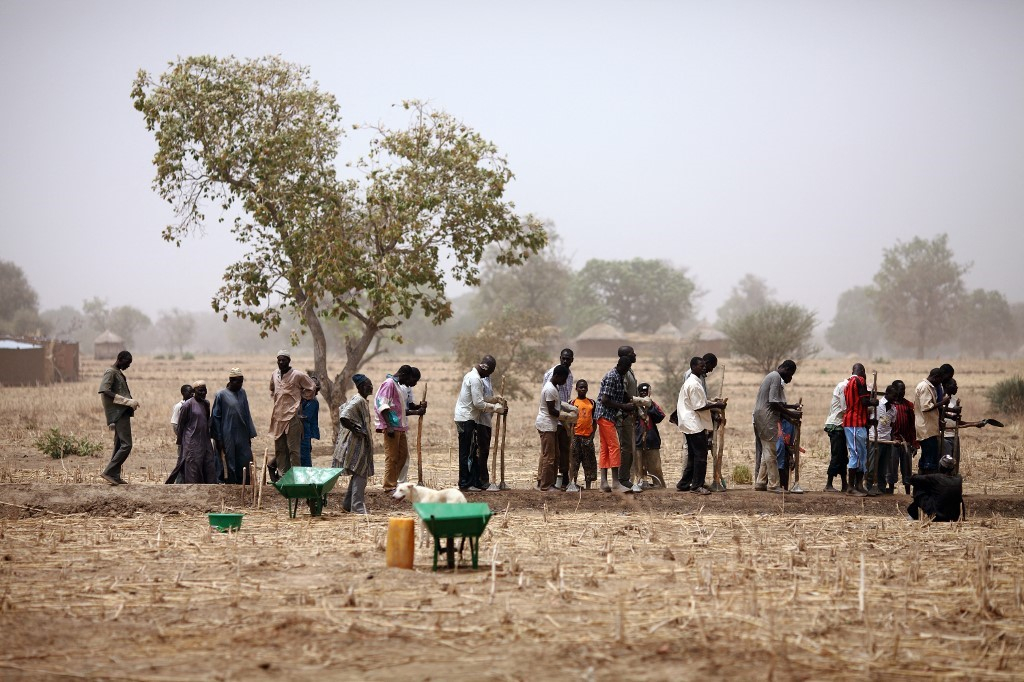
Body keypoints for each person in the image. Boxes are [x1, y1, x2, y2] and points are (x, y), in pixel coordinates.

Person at [453, 357, 505, 492]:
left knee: (472, 451)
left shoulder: (472, 376)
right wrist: (495, 408)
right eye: (488, 373)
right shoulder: (475, 379)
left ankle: (474, 481)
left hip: (468, 418)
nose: (487, 376)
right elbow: (478, 403)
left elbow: (479, 398)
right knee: (467, 452)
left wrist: (494, 399)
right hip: (466, 419)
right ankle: (465, 483)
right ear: (485, 368)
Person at [677, 357, 726, 494]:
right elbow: (699, 406)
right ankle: (697, 486)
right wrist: (717, 405)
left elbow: (700, 402)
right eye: (700, 366)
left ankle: (684, 483)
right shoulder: (693, 384)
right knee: (700, 455)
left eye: (704, 365)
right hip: (693, 423)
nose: (704, 368)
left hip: (689, 422)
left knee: (693, 455)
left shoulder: (694, 382)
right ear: (693, 367)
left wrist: (712, 402)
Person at [376, 365, 427, 492]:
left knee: (402, 456)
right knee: (392, 457)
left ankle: (394, 482)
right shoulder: (389, 384)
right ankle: (389, 485)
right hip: (392, 426)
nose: (408, 383)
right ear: (404, 375)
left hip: (400, 426)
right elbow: (382, 404)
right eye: (409, 379)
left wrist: (419, 407)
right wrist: (389, 426)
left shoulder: (397, 385)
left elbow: (402, 407)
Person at [752, 360, 801, 493]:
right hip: (766, 416)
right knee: (771, 451)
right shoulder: (775, 377)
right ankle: (773, 484)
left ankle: (761, 482)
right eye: (790, 374)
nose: (790, 378)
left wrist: (792, 408)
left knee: (767, 449)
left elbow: (779, 403)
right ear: (786, 369)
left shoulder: (773, 377)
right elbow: (774, 403)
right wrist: (791, 414)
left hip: (763, 415)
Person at [269, 350, 317, 480]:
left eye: (283, 360)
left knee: (293, 450)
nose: (281, 362)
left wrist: (300, 397)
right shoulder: (275, 374)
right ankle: (283, 477)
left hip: (292, 417)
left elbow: (311, 387)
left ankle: (296, 478)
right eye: (279, 360)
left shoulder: (297, 375)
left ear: (289, 361)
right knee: (280, 450)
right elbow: (272, 388)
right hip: (278, 417)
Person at [333, 374, 375, 514]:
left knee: (358, 472)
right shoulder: (358, 401)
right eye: (368, 385)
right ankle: (357, 507)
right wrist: (356, 430)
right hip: (356, 444)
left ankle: (347, 504)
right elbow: (344, 416)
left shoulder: (361, 400)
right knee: (361, 473)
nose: (371, 387)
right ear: (361, 387)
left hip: (359, 442)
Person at [98, 350, 139, 485]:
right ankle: (109, 471)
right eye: (127, 362)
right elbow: (105, 390)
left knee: (119, 445)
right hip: (118, 413)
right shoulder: (111, 372)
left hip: (122, 412)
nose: (128, 366)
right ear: (120, 359)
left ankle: (114, 475)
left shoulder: (118, 373)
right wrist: (126, 401)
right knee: (127, 445)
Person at [210, 369, 258, 485]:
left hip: (242, 433)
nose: (240, 384)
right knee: (229, 460)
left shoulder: (242, 393)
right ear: (231, 380)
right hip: (227, 433)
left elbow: (247, 414)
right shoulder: (221, 395)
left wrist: (249, 434)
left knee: (245, 458)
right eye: (238, 381)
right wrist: (218, 438)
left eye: (241, 381)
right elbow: (216, 417)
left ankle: (244, 484)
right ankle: (231, 484)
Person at [595, 356, 635, 493]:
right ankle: (616, 482)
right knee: (614, 447)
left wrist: (631, 401)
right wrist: (624, 406)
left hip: (607, 416)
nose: (627, 370)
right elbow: (605, 400)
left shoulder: (619, 376)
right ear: (622, 366)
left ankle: (603, 483)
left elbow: (621, 394)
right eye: (627, 368)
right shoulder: (612, 377)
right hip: (605, 415)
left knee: (605, 448)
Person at [542, 348, 575, 490]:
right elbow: (549, 401)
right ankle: (543, 481)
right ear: (560, 357)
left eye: (568, 359)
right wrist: (564, 415)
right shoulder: (552, 375)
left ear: (572, 360)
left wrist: (569, 410)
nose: (566, 361)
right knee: (549, 453)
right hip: (553, 417)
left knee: (564, 449)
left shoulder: (570, 375)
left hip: (562, 417)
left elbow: (564, 398)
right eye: (564, 358)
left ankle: (563, 480)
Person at [173, 380, 217, 483]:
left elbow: (207, 419)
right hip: (191, 441)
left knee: (208, 465)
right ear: (194, 391)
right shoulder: (187, 405)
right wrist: (181, 442)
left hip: (204, 440)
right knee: (193, 467)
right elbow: (181, 425)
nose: (203, 393)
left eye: (204, 390)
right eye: (200, 391)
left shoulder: (206, 404)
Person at [843, 364, 877, 497]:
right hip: (854, 422)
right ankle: (851, 487)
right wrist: (873, 402)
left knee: (862, 455)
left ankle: (858, 485)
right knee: (856, 454)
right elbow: (864, 402)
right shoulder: (859, 380)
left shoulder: (848, 383)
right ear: (862, 371)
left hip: (857, 422)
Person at [536, 364, 570, 491]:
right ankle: (546, 485)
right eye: (563, 379)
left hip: (551, 425)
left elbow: (557, 404)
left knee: (555, 455)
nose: (564, 382)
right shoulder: (550, 389)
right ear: (556, 376)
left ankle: (551, 483)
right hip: (546, 425)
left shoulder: (554, 387)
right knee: (549, 457)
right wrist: (565, 416)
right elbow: (551, 410)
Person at [906, 454, 964, 522]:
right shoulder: (959, 478)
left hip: (938, 516)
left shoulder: (936, 478)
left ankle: (913, 514)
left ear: (940, 467)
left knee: (919, 489)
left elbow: (913, 479)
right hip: (955, 516)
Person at [914, 368, 949, 474]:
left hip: (928, 427)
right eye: (940, 380)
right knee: (929, 458)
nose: (940, 383)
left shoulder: (928, 386)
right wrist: (943, 402)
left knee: (927, 456)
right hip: (926, 428)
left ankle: (923, 478)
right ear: (936, 377)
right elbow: (926, 407)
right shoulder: (925, 387)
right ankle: (927, 478)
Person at [615, 346, 640, 491]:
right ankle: (622, 479)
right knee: (625, 448)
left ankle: (625, 478)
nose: (635, 355)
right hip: (623, 416)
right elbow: (623, 394)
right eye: (632, 353)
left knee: (629, 447)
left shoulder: (629, 371)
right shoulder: (623, 373)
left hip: (629, 414)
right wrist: (634, 402)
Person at [397, 367, 426, 485]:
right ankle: (398, 482)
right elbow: (401, 410)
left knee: (404, 456)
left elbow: (410, 405)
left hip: (403, 425)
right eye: (414, 380)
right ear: (409, 377)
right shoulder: (400, 388)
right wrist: (417, 412)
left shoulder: (408, 388)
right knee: (399, 456)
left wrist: (420, 406)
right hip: (396, 424)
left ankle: (401, 482)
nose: (415, 383)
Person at [866, 384, 897, 496]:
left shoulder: (894, 410)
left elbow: (892, 426)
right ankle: (868, 487)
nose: (895, 398)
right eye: (893, 396)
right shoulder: (877, 405)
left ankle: (881, 488)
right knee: (871, 467)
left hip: (886, 441)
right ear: (887, 394)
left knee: (883, 468)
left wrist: (893, 439)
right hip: (875, 440)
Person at [567, 379, 597, 492]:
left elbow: (594, 420)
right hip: (576, 436)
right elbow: (569, 421)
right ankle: (573, 483)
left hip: (588, 436)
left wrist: (592, 434)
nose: (583, 389)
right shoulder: (572, 403)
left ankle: (588, 486)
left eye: (585, 387)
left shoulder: (592, 403)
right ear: (576, 389)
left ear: (587, 388)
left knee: (588, 461)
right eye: (581, 387)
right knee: (574, 461)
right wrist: (571, 435)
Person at [636, 382, 667, 488]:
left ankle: (660, 487)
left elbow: (660, 416)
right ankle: (640, 484)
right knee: (639, 468)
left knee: (656, 468)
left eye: (646, 391)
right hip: (638, 441)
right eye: (641, 391)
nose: (643, 393)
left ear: (649, 392)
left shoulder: (652, 404)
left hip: (652, 441)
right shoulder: (634, 406)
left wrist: (650, 406)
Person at [889, 380, 917, 494]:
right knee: (891, 468)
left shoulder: (908, 405)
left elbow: (912, 425)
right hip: (893, 442)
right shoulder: (890, 405)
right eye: (901, 390)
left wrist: (914, 443)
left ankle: (907, 493)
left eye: (904, 389)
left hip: (906, 442)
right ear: (895, 390)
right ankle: (890, 491)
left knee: (907, 468)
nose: (903, 392)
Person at [822, 375, 849, 492]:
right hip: (836, 425)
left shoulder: (844, 386)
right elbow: (844, 408)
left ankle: (844, 484)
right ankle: (828, 484)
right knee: (837, 455)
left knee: (843, 456)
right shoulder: (843, 387)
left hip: (840, 425)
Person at [167, 384, 193, 484]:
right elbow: (175, 424)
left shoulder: (192, 404)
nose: (191, 394)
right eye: (189, 392)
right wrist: (181, 437)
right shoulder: (179, 406)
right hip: (183, 439)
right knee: (181, 460)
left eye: (192, 392)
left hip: (190, 439)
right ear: (183, 393)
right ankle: (178, 482)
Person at [299, 378, 321, 468]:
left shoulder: (313, 402)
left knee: (305, 458)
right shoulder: (302, 399)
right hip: (301, 433)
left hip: (304, 433)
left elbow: (305, 417)